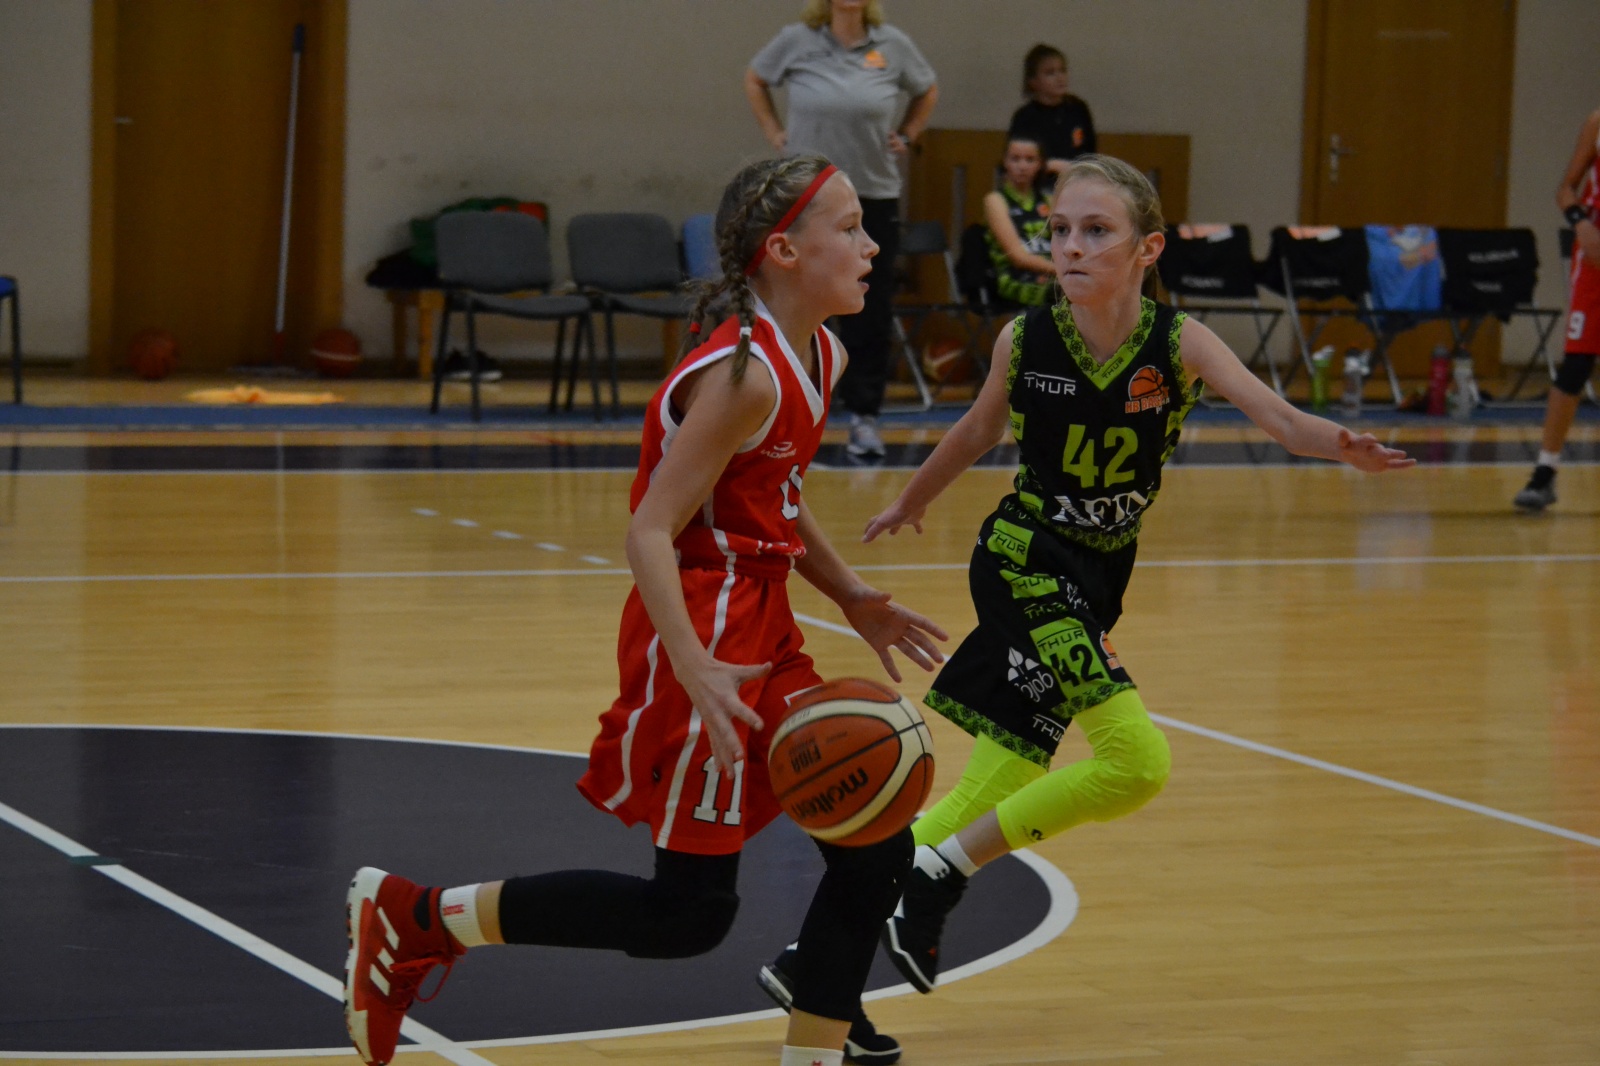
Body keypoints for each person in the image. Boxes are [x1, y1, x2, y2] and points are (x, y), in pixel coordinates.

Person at [758, 155, 1414, 1028]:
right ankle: (942, 874)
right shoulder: (1024, 339)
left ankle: (815, 964)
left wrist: (1343, 444)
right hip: (1024, 562)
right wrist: (912, 500)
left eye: (1095, 231)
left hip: (1096, 578)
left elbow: (1284, 421)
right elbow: (978, 428)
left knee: (992, 786)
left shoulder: (1179, 344)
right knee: (1136, 764)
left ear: (1148, 249)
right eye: (1060, 230)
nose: (1070, 246)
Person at [342, 156, 948, 1066]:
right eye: (852, 227)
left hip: (762, 620)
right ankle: (418, 918)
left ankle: (817, 1046)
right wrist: (694, 664)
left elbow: (774, 501)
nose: (872, 246)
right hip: (702, 629)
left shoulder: (822, 352)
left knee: (874, 841)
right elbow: (650, 530)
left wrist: (852, 595)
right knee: (686, 915)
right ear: (784, 250)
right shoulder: (746, 378)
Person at [746, 0, 939, 459]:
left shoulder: (893, 45)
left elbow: (927, 89)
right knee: (795, 298)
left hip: (872, 193)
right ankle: (782, 409)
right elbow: (755, 78)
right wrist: (774, 131)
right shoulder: (797, 40)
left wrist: (908, 133)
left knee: (869, 304)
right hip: (806, 196)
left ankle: (863, 416)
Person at [1515, 105, 1600, 512]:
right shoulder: (1597, 122)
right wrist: (1581, 223)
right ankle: (1545, 471)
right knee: (1576, 364)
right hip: (1596, 259)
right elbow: (1566, 188)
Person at [1007, 44, 1097, 185]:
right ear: (1033, 81)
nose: (1060, 78)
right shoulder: (1025, 117)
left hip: (1075, 184)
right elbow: (1017, 162)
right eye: (1050, 73)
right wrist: (1051, 165)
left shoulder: (1078, 109)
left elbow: (1091, 154)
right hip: (1038, 187)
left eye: (1062, 70)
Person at [983, 136, 1056, 308]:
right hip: (1013, 276)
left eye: (1030, 160)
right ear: (1005, 162)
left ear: (1040, 164)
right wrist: (1064, 271)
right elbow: (1018, 258)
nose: (1022, 166)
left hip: (1052, 272)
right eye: (1015, 159)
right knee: (1063, 291)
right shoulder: (995, 200)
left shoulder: (1049, 200)